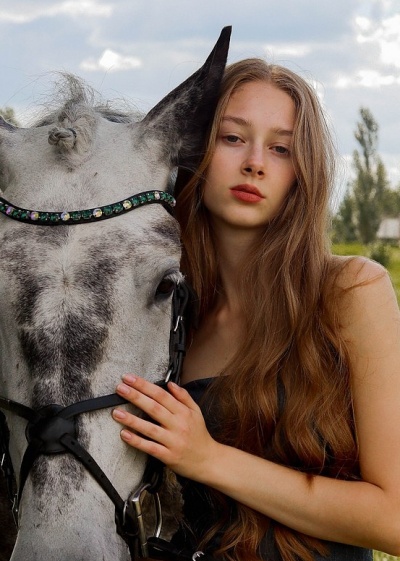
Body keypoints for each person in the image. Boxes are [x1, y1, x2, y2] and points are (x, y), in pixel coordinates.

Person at [111, 58, 400, 561]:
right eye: (232, 138)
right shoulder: (170, 316)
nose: (255, 163)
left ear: (302, 173)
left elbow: (394, 520)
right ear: (197, 153)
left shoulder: (350, 291)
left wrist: (208, 459)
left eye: (281, 148)